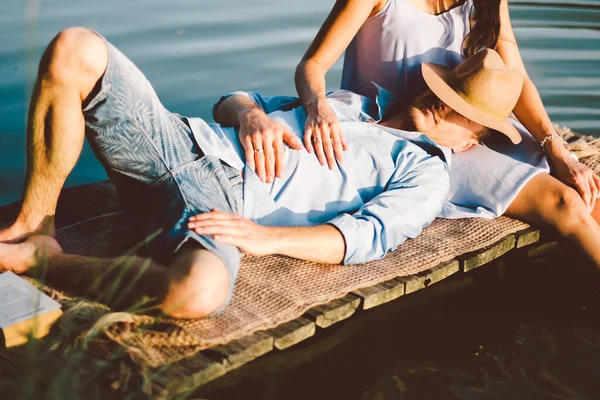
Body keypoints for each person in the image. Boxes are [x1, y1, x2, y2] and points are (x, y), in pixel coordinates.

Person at [0, 28, 526, 318]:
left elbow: (363, 238)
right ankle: (35, 223)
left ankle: (43, 261)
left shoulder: (424, 173)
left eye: (461, 111)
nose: (443, 105)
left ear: (471, 139)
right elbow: (234, 100)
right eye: (447, 91)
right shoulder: (347, 102)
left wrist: (266, 236)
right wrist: (251, 116)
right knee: (75, 48)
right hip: (178, 141)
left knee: (198, 294)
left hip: (221, 205)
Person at [244, 0, 599, 263]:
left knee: (590, 191)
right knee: (565, 203)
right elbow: (313, 64)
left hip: (462, 126)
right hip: (406, 140)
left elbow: (515, 75)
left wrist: (557, 149)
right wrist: (316, 105)